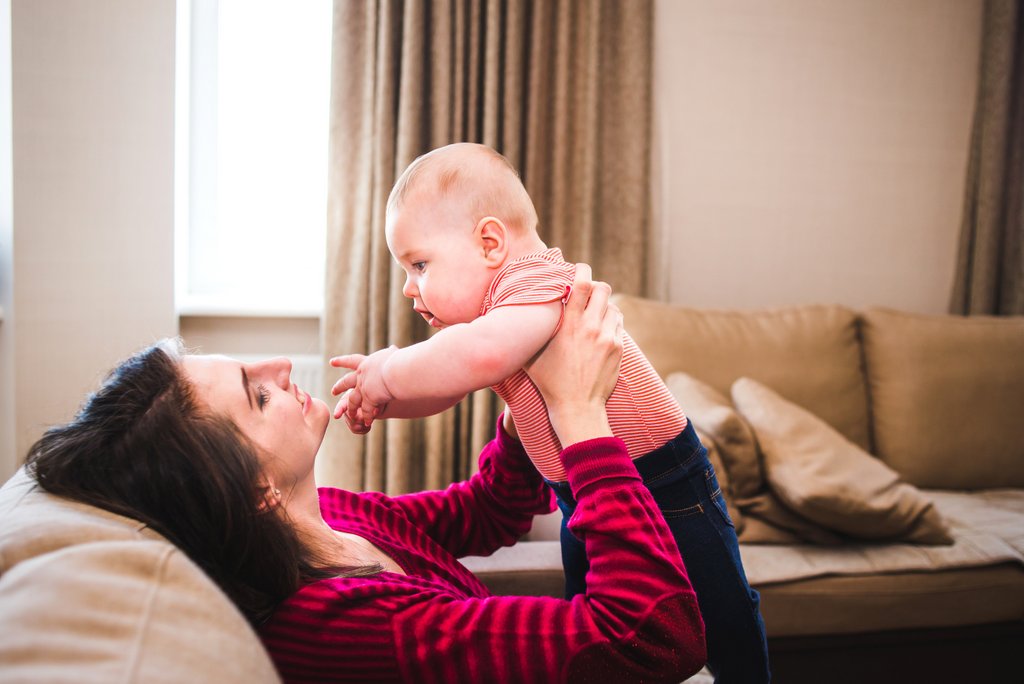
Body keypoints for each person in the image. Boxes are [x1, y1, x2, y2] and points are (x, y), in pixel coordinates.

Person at [25, 269, 707, 683]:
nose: (279, 368)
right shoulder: (334, 626)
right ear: (253, 490)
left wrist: (520, 388)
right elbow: (651, 639)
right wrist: (580, 412)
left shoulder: (328, 518)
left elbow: (488, 512)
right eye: (256, 395)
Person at [332, 143, 770, 683]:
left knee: (721, 616)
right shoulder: (495, 317)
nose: (408, 287)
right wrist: (383, 400)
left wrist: (389, 370)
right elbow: (448, 386)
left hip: (666, 484)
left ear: (490, 243)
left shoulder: (538, 286)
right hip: (582, 493)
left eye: (419, 264)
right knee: (603, 628)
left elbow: (477, 356)